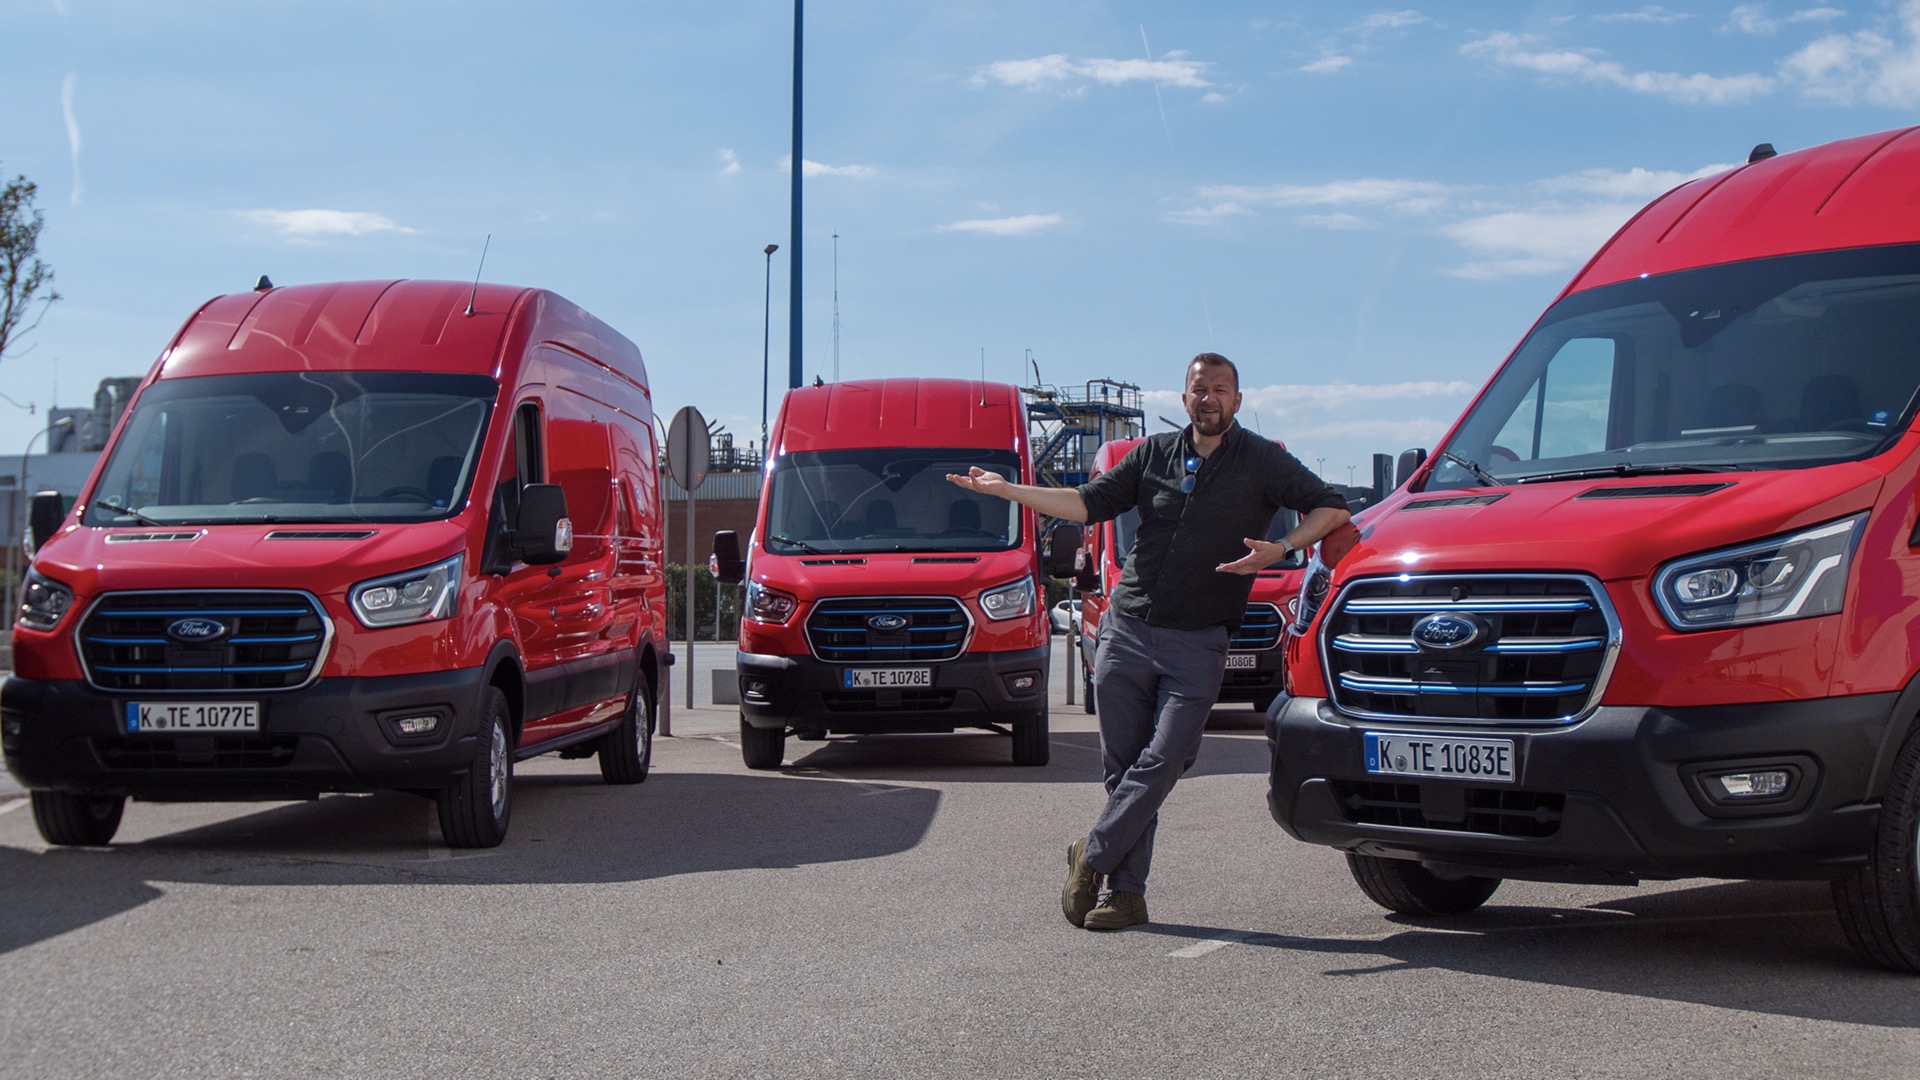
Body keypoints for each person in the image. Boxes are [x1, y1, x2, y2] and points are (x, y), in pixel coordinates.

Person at [949, 353, 1350, 930]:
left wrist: (1280, 550)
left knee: (1165, 759)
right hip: (1128, 628)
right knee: (1123, 770)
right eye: (1197, 389)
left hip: (1200, 639)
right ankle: (1127, 894)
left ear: (1236, 400)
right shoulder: (1152, 455)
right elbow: (1086, 504)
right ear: (1184, 398)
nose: (1208, 398)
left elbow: (1332, 507)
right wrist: (1010, 490)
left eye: (1219, 389)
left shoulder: (1263, 461)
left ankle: (1092, 853)